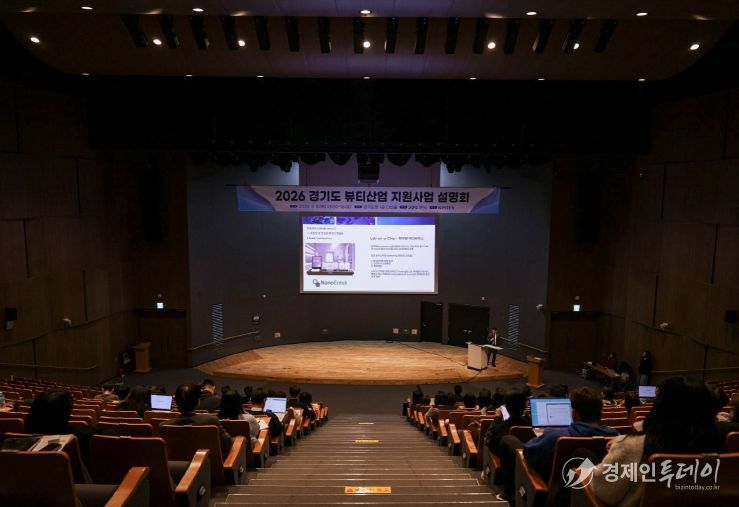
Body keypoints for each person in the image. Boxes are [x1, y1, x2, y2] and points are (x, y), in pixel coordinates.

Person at [589, 377, 722, 506]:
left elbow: (604, 493)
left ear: (660, 405)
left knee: (583, 455)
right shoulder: (721, 446)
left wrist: (586, 471)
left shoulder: (632, 446)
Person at [498, 386, 618, 500]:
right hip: (590, 491)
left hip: (553, 486)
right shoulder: (616, 438)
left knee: (507, 440)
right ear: (600, 413)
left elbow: (529, 453)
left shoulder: (556, 436)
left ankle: (509, 495)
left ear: (573, 413)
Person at [161, 383, 233, 458]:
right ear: (198, 402)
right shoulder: (211, 421)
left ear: (176, 402)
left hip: (174, 464)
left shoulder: (163, 426)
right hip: (207, 463)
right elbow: (227, 443)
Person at [484, 389, 531, 456]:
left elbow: (488, 442)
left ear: (505, 407)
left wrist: (497, 418)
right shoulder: (530, 425)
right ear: (525, 407)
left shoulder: (499, 425)